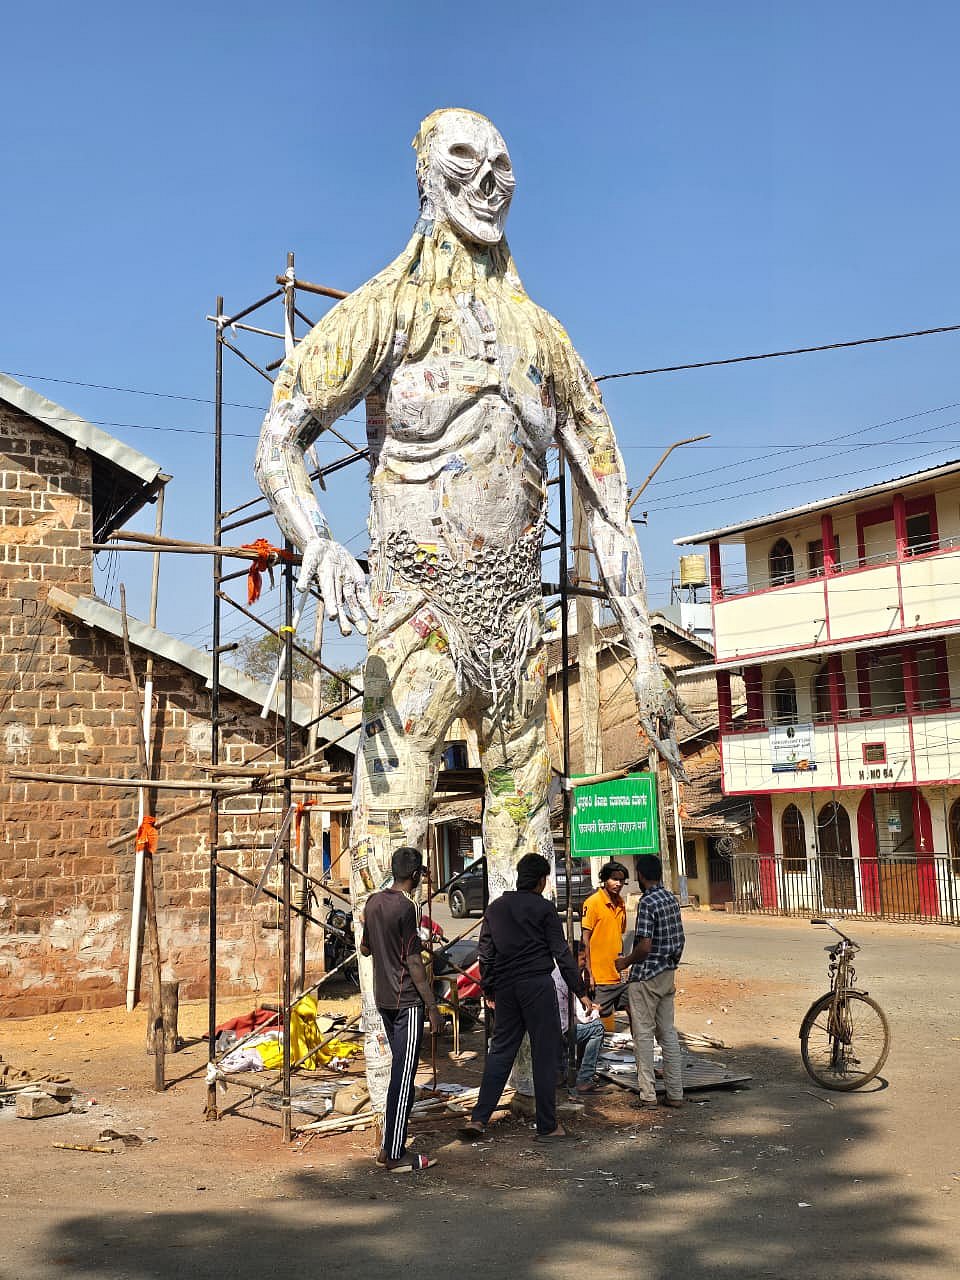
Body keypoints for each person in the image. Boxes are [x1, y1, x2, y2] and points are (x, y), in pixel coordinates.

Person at [253, 107, 687, 1110]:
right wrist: (318, 541)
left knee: (525, 852)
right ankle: (389, 1086)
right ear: (425, 171)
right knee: (386, 837)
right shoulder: (386, 311)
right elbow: (280, 437)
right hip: (413, 625)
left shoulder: (546, 340)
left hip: (517, 634)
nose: (489, 179)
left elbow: (610, 501)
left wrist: (644, 653)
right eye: (465, 159)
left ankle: (529, 1073)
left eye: (503, 164)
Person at [460, 853, 593, 1141]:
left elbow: (486, 955)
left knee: (500, 1052)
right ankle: (547, 1126)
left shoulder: (495, 908)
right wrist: (580, 991)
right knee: (544, 1054)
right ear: (542, 880)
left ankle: (479, 1119)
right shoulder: (544, 908)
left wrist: (489, 989)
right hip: (537, 986)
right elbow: (562, 954)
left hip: (506, 988)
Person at [360, 847, 444, 1171]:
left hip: (383, 998)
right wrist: (432, 1006)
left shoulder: (373, 902)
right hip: (407, 1000)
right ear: (415, 875)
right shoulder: (409, 907)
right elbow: (413, 961)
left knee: (401, 1074)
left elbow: (366, 948)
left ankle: (388, 1147)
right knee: (403, 1077)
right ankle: (396, 1152)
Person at [614, 854, 685, 1110]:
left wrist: (625, 962)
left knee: (643, 1035)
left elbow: (644, 946)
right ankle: (675, 1093)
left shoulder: (647, 902)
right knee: (668, 1034)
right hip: (667, 972)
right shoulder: (671, 899)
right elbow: (680, 939)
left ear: (641, 876)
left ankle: (647, 1095)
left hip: (646, 976)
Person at [581, 861, 629, 1031]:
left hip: (619, 975)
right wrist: (589, 972)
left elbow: (618, 935)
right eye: (614, 879)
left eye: (621, 880)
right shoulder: (593, 903)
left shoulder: (621, 903)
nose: (618, 884)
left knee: (635, 1009)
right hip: (600, 977)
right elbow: (585, 940)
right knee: (599, 1023)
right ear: (604, 879)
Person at [552, 951, 606, 1096]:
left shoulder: (554, 971)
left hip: (549, 1029)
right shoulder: (569, 977)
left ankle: (560, 1073)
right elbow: (583, 1017)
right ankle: (584, 1079)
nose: (585, 963)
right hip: (560, 1032)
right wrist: (596, 1010)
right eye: (583, 959)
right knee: (597, 1027)